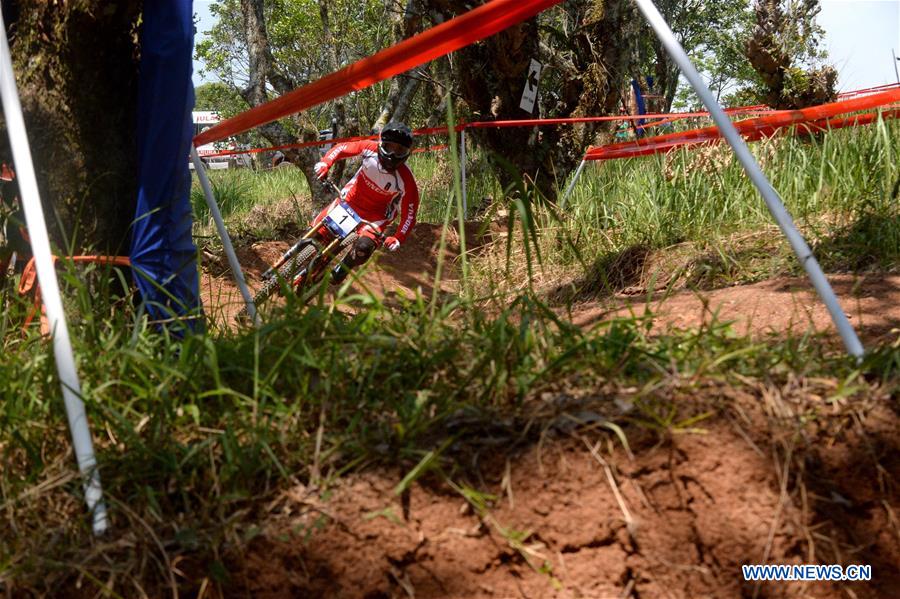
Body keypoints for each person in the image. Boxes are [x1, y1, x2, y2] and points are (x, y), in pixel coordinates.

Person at [312, 122, 420, 284]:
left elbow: (410, 215)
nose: (392, 154)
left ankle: (342, 269)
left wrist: (398, 237)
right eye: (389, 147)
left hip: (375, 218)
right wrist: (326, 162)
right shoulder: (370, 148)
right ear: (381, 144)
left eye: (399, 150)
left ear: (407, 153)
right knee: (316, 233)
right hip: (349, 201)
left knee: (363, 248)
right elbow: (342, 148)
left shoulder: (406, 179)